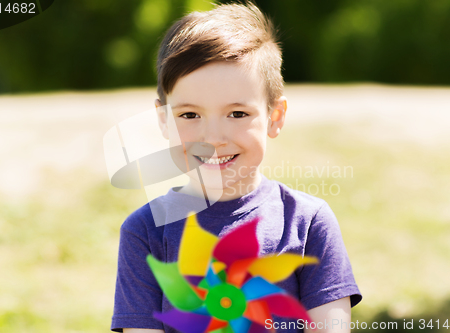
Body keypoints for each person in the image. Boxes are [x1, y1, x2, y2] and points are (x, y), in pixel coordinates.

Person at [111, 3, 361, 332]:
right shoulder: (144, 233)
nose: (213, 138)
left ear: (275, 116)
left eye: (237, 114)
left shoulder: (308, 223)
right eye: (189, 115)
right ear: (164, 121)